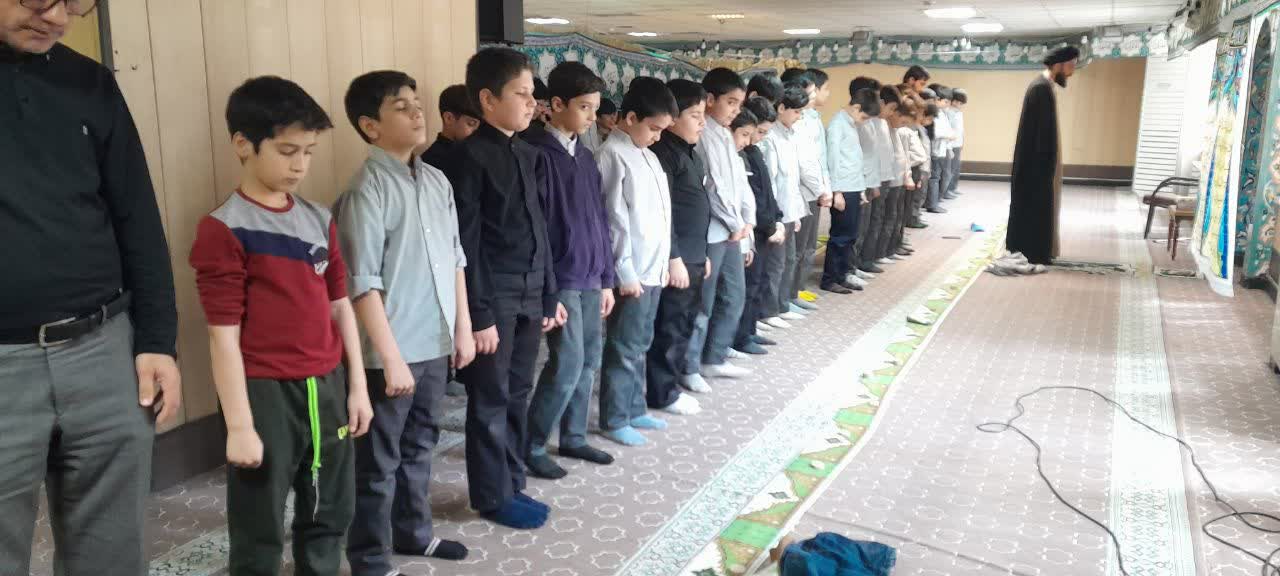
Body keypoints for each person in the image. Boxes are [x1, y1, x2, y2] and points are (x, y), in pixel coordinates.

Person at [1, 2, 180, 573]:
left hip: (104, 351)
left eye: (76, 4)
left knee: (112, 556)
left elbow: (137, 217)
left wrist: (157, 341)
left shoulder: (90, 82)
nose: (57, 17)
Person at [190, 76, 373, 575]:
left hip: (327, 384)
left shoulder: (318, 219)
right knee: (259, 522)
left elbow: (341, 307)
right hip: (265, 393)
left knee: (329, 509)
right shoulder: (223, 229)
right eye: (287, 151)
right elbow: (222, 336)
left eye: (308, 152)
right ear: (243, 144)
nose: (300, 165)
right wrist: (239, 426)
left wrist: (357, 387)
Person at [335, 70, 473, 574]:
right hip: (390, 352)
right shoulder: (365, 190)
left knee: (421, 446)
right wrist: (390, 359)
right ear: (370, 126)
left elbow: (455, 260)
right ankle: (370, 558)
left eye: (417, 103)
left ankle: (414, 533)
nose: (417, 112)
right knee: (377, 462)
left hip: (435, 341)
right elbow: (361, 283)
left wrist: (461, 328)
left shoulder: (436, 180)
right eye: (401, 106)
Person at [444, 47, 564, 530]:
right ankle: (491, 495)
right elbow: (466, 244)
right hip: (493, 293)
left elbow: (542, 229)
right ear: (488, 99)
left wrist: (550, 293)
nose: (532, 103)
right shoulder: (467, 158)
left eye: (533, 94)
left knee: (518, 390)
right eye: (521, 94)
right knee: (490, 397)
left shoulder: (530, 154)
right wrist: (479, 314)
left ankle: (512, 480)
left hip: (532, 288)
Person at [522, 61, 618, 480]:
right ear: (556, 105)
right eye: (584, 107)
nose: (592, 116)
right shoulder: (538, 155)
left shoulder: (585, 156)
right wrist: (549, 287)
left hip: (592, 275)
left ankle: (574, 436)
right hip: (562, 278)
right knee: (566, 362)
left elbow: (600, 220)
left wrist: (608, 279)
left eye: (595, 108)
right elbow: (539, 230)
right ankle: (531, 443)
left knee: (590, 358)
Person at [597, 77, 679, 446]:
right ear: (630, 118)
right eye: (654, 128)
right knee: (624, 346)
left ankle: (633, 407)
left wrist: (664, 263)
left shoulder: (647, 153)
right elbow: (614, 220)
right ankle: (614, 417)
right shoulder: (611, 155)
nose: (658, 137)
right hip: (632, 271)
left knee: (641, 341)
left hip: (653, 267)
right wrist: (624, 271)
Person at [648, 79, 715, 406]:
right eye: (695, 115)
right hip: (676, 259)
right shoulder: (663, 154)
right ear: (672, 117)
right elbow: (664, 214)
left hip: (694, 254)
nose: (703, 123)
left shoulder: (692, 154)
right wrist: (674, 257)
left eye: (704, 116)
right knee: (669, 327)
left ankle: (674, 382)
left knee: (686, 321)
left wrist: (702, 254)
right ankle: (663, 393)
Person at [688, 67, 751, 384]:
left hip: (732, 230)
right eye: (731, 102)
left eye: (739, 104)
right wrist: (734, 221)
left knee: (734, 294)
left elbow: (738, 184)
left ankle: (715, 355)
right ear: (710, 99)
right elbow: (714, 186)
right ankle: (690, 365)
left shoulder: (725, 134)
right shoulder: (704, 135)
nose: (735, 110)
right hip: (713, 231)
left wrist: (744, 220)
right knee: (704, 301)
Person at [1007, 46, 1079, 265]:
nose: (1072, 71)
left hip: (1037, 162)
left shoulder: (1044, 86)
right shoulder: (1041, 88)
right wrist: (1044, 168)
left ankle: (1035, 250)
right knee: (1036, 207)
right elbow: (1041, 135)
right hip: (1036, 164)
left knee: (1035, 206)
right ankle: (1034, 251)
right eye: (1071, 65)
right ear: (1059, 65)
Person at [734, 96, 785, 352]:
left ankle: (750, 330)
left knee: (758, 282)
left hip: (765, 227)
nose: (761, 137)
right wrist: (769, 224)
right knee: (747, 285)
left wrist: (778, 219)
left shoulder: (754, 151)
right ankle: (740, 337)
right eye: (760, 132)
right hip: (754, 228)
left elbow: (768, 192)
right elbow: (752, 197)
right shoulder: (742, 154)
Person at [759, 82, 811, 329]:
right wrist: (776, 216)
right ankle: (768, 311)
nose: (799, 117)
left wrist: (797, 213)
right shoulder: (770, 138)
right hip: (778, 211)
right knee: (774, 264)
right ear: (781, 108)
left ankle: (782, 305)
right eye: (797, 111)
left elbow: (793, 178)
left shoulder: (790, 135)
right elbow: (770, 181)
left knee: (788, 260)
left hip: (791, 209)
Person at [822, 87, 879, 294]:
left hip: (853, 186)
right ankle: (830, 279)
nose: (863, 121)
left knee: (851, 235)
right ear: (856, 107)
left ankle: (843, 274)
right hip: (843, 188)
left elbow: (854, 159)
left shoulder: (851, 124)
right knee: (840, 236)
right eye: (864, 117)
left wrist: (860, 189)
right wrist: (836, 191)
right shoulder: (837, 124)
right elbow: (833, 160)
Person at [848, 77, 886, 280]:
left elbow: (873, 155)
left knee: (864, 226)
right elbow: (857, 157)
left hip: (868, 180)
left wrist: (875, 182)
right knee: (855, 229)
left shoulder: (869, 121)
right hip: (858, 182)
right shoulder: (854, 123)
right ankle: (850, 268)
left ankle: (857, 263)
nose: (878, 100)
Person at [421, 84, 481, 171]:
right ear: (449, 118)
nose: (477, 131)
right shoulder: (429, 163)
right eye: (471, 124)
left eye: (481, 126)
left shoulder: (477, 151)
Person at [926, 86, 955, 214]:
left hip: (942, 150)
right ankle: (932, 204)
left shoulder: (942, 113)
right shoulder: (934, 113)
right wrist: (948, 135)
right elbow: (935, 133)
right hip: (935, 151)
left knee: (938, 177)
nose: (947, 104)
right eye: (946, 101)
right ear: (937, 99)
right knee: (934, 178)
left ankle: (934, 201)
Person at [946, 88, 968, 200]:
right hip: (951, 144)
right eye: (956, 101)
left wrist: (963, 141)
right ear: (952, 100)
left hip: (958, 143)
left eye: (961, 103)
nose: (958, 104)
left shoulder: (959, 113)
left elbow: (961, 129)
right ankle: (946, 190)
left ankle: (953, 188)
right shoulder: (948, 112)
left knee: (956, 168)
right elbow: (949, 129)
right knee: (949, 169)